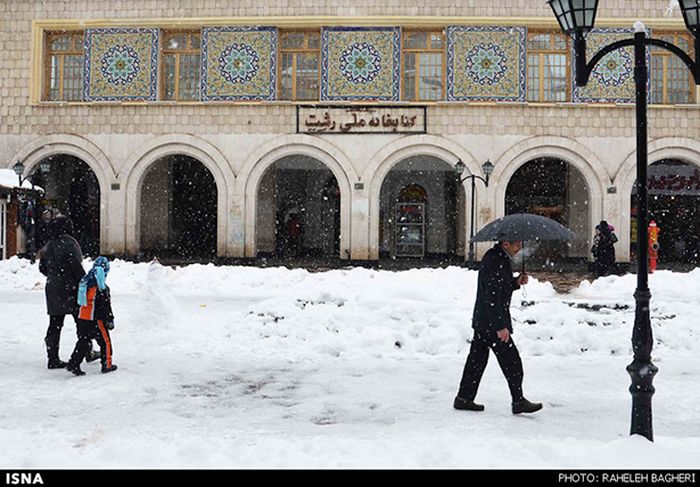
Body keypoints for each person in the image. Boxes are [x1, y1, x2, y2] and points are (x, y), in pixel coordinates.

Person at [454, 240, 542, 415]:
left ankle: (464, 398)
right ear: (506, 244)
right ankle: (518, 400)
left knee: (476, 361)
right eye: (517, 245)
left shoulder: (496, 257)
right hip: (491, 323)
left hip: (483, 321)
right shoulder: (497, 260)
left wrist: (515, 282)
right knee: (512, 361)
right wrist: (500, 326)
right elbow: (492, 296)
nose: (520, 248)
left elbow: (499, 287)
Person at [38, 216, 86, 369]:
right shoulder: (71, 243)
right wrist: (84, 281)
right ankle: (86, 350)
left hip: (53, 288)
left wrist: (54, 276)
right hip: (71, 288)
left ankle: (52, 358)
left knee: (55, 323)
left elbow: (42, 268)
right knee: (81, 321)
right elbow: (76, 266)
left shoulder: (47, 246)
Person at [66, 256, 117, 376]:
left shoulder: (85, 281)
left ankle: (74, 363)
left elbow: (77, 300)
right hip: (96, 319)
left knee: (84, 341)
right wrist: (110, 319)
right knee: (105, 342)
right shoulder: (102, 287)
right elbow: (105, 306)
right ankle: (107, 364)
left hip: (83, 317)